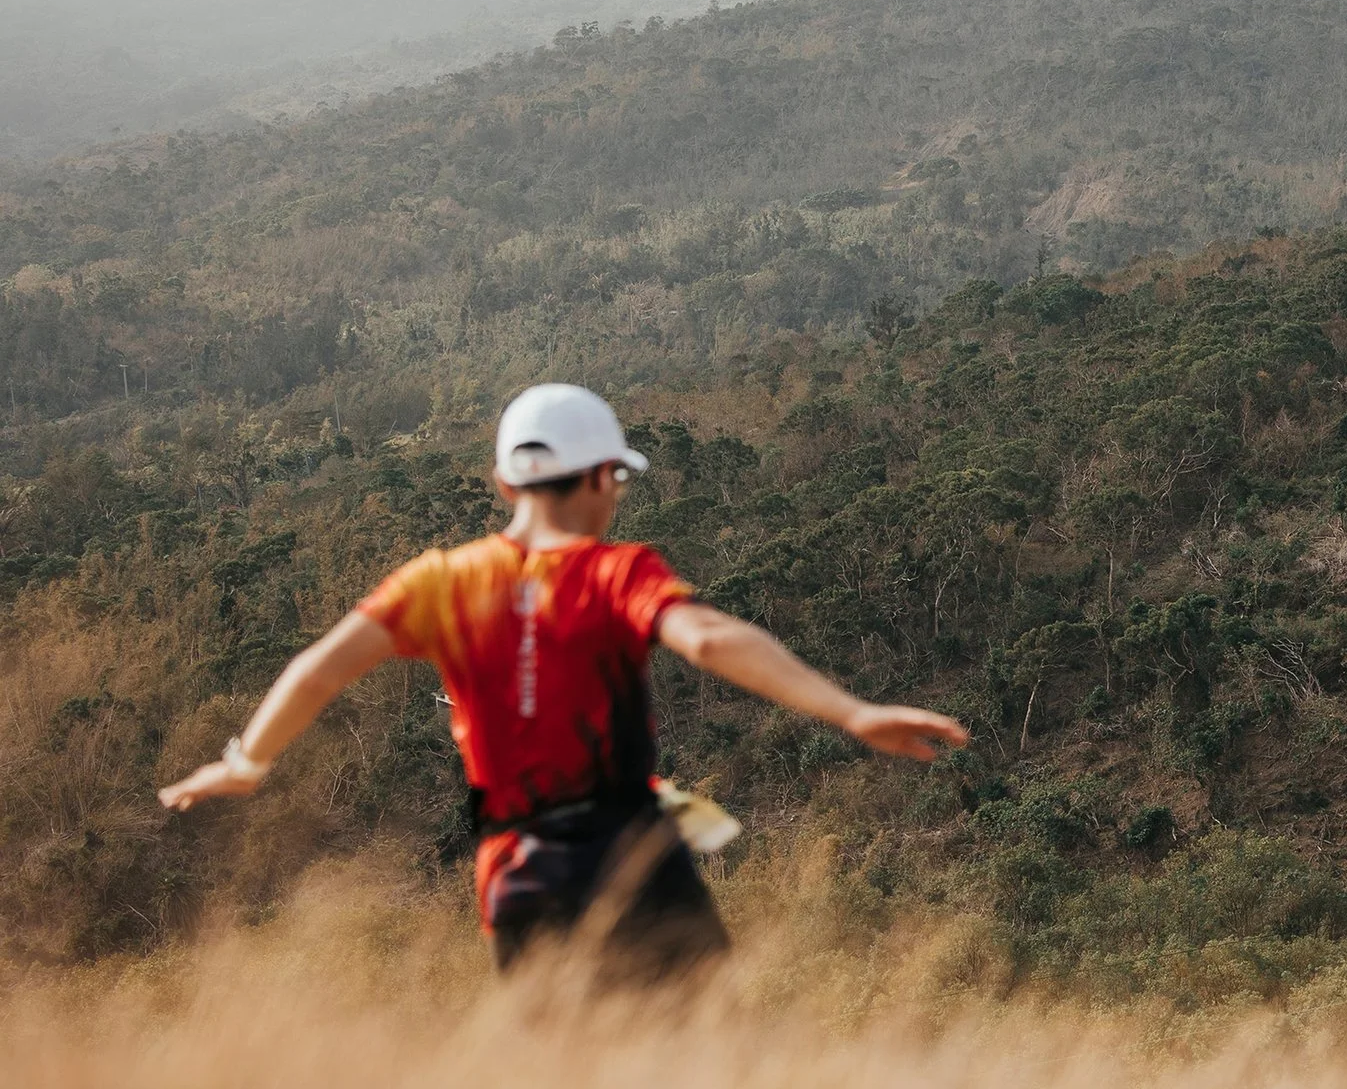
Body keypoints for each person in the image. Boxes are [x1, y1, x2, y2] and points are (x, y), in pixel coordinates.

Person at [159, 383, 968, 977]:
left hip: (517, 870)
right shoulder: (615, 572)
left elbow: (316, 669)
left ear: (507, 482)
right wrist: (852, 710)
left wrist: (247, 762)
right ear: (600, 477)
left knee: (571, 1087)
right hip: (631, 854)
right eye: (615, 479)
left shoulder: (440, 581)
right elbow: (710, 637)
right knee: (699, 1069)